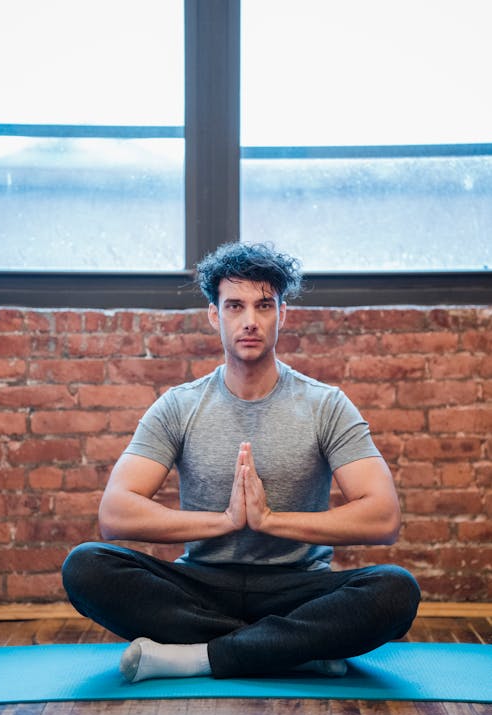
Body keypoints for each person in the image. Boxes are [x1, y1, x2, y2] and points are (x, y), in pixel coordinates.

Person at [62, 242, 420, 682]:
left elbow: (383, 518)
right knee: (86, 566)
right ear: (215, 315)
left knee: (395, 591)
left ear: (282, 314)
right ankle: (292, 650)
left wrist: (269, 520)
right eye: (235, 305)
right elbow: (115, 514)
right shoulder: (179, 406)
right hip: (202, 587)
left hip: (297, 588)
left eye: (264, 305)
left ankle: (199, 657)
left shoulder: (325, 405)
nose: (250, 320)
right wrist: (228, 521)